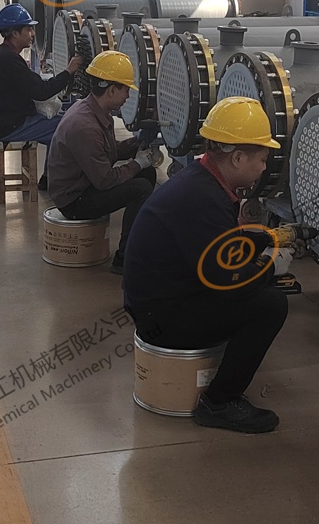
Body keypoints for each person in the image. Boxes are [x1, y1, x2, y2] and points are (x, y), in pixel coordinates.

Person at [123, 97, 288, 434]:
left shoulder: (201, 181)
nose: (263, 168)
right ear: (238, 157)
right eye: (261, 159)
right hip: (162, 319)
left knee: (261, 284)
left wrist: (266, 239)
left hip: (161, 299)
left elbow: (220, 247)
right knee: (271, 304)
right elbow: (229, 281)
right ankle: (219, 403)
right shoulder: (204, 200)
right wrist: (272, 267)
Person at [47, 51, 158, 275]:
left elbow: (107, 152)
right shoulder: (85, 126)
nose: (128, 95)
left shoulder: (93, 110)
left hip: (84, 183)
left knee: (147, 175)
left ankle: (135, 245)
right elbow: (105, 180)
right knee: (141, 188)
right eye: (125, 89)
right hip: (73, 201)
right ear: (112, 90)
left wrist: (137, 143)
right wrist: (137, 164)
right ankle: (124, 259)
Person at [0, 4, 83, 189]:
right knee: (67, 126)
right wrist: (68, 71)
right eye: (28, 29)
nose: (32, 33)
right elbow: (41, 91)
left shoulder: (3, 56)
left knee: (61, 122)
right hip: (7, 126)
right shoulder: (9, 60)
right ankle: (60, 181)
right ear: (15, 33)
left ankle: (49, 177)